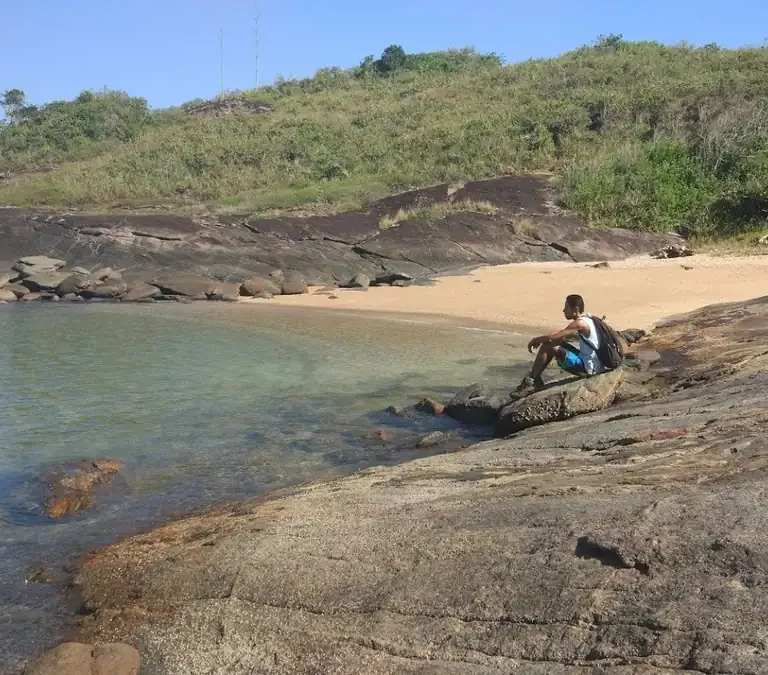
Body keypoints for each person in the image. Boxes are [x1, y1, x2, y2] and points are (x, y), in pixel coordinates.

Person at [514, 294, 613, 397]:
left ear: (575, 309)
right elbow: (559, 336)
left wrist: (536, 340)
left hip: (588, 369)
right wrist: (549, 337)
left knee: (548, 346)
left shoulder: (579, 323)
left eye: (566, 307)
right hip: (596, 365)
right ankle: (536, 378)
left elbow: (552, 339)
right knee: (553, 339)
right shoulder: (589, 319)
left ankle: (531, 381)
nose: (564, 310)